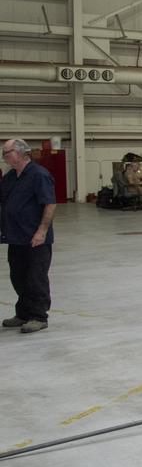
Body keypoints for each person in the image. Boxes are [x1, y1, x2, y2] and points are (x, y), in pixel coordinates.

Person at [1, 139, 57, 334]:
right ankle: (23, 313)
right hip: (15, 237)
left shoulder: (39, 175)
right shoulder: (10, 177)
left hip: (35, 238)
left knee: (35, 277)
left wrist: (42, 231)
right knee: (18, 277)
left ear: (20, 153)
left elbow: (49, 204)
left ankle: (38, 316)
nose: (4, 156)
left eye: (6, 152)